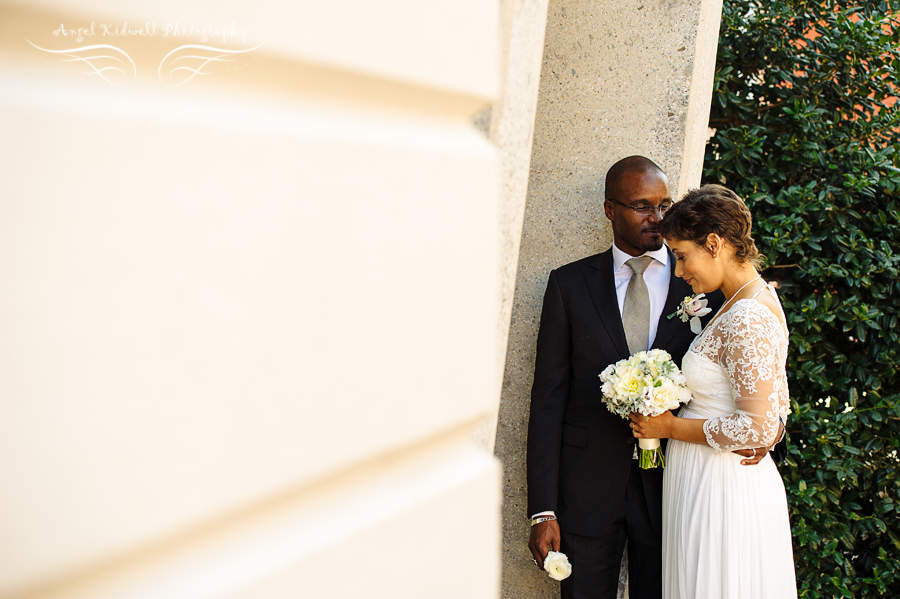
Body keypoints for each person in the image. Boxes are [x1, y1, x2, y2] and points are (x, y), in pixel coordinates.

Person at [526, 156, 738, 599]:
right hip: (585, 492)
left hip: (673, 491)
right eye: (642, 206)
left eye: (664, 205)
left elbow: (741, 379)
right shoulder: (568, 285)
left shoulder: (701, 285)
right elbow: (548, 398)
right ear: (610, 209)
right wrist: (542, 511)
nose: (657, 218)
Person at [631, 184, 797, 598]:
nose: (680, 270)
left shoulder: (745, 316)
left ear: (714, 243)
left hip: (722, 490)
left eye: (683, 256)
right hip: (709, 478)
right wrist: (772, 428)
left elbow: (756, 425)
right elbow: (775, 407)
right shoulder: (746, 300)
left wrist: (668, 427)